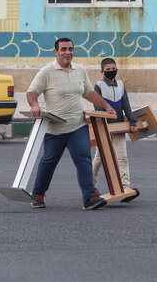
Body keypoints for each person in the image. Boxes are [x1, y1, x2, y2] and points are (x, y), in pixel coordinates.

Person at [27, 38, 116, 210]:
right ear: (56, 51)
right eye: (64, 49)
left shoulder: (80, 70)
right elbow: (32, 92)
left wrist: (106, 106)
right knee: (48, 161)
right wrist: (35, 105)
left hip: (78, 126)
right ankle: (38, 194)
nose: (68, 52)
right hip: (55, 128)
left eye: (70, 49)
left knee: (83, 158)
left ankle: (89, 197)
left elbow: (88, 92)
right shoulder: (46, 72)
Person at [92, 57, 140, 202]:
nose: (111, 72)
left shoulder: (121, 85)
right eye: (108, 70)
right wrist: (105, 119)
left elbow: (126, 104)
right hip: (104, 129)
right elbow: (97, 107)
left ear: (117, 69)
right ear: (102, 71)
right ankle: (91, 187)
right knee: (99, 160)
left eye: (113, 69)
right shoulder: (99, 86)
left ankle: (126, 187)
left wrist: (132, 121)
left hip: (119, 127)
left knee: (122, 157)